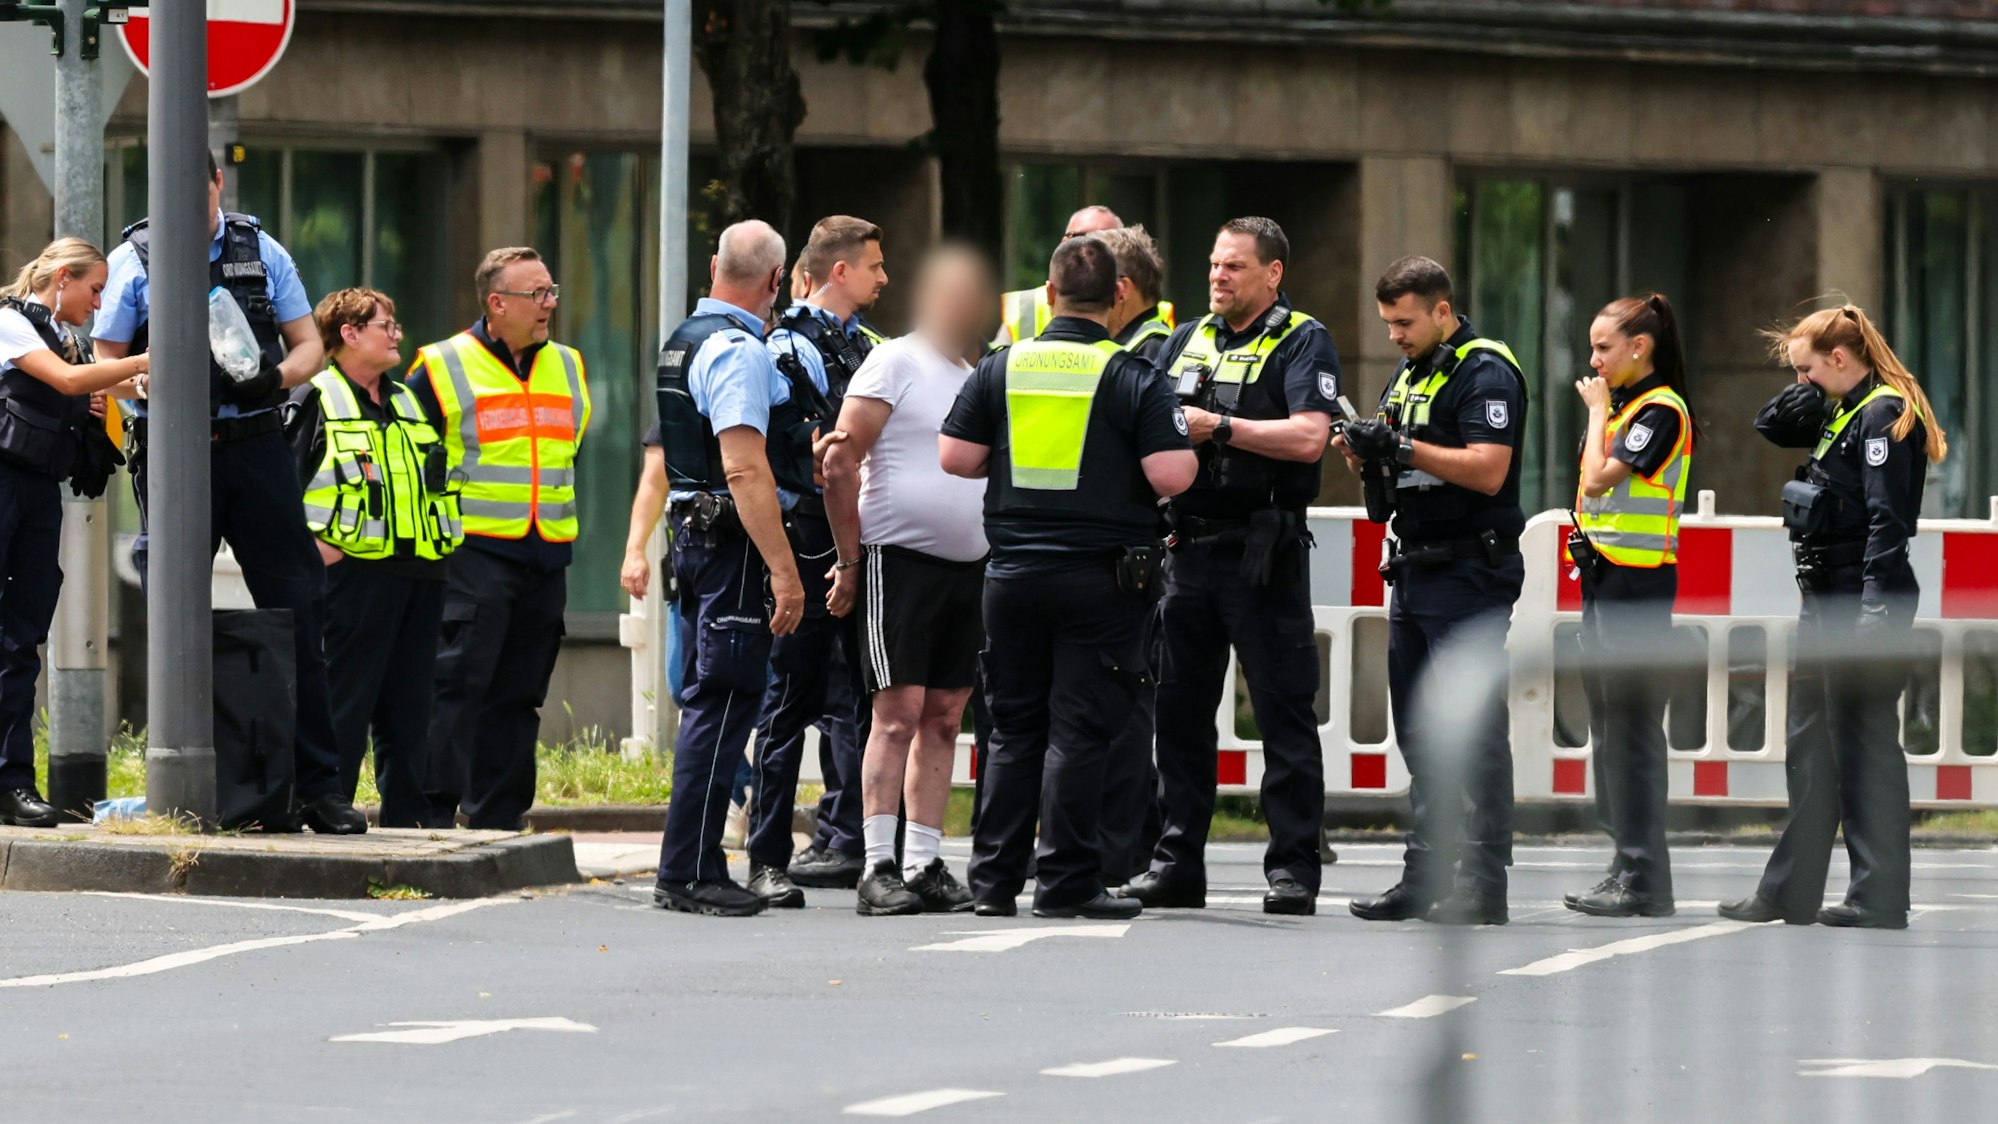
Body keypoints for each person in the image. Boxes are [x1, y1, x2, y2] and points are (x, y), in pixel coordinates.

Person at [95, 150, 366, 835]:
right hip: (173, 450)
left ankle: (319, 790)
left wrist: (273, 380)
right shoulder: (134, 260)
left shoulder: (260, 248)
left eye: (199, 187)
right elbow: (105, 366)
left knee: (300, 606)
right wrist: (152, 381)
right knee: (172, 611)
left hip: (254, 445)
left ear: (217, 182)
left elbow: (309, 345)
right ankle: (186, 780)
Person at [945, 235, 1198, 919]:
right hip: (1100, 581)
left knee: (1014, 730)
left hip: (1013, 575)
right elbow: (1171, 475)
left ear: (1049, 294)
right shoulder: (1133, 375)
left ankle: (993, 884)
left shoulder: (1001, 366)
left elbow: (955, 456)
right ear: (1118, 296)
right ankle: (1065, 882)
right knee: (1079, 733)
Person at [1119, 217, 1339, 917]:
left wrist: (1222, 428)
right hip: (1189, 547)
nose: (1218, 277)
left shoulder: (1302, 338)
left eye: (1234, 267)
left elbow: (1310, 438)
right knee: (1180, 715)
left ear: (1273, 274)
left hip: (1261, 550)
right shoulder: (1187, 339)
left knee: (1282, 711)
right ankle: (1177, 860)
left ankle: (1294, 868)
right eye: (1214, 265)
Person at [1719, 305, 1943, 931]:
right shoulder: (1841, 409)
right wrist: (1801, 389)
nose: (1799, 384)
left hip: (1861, 598)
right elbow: (1768, 424)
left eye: (1805, 369)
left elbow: (1886, 519)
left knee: (1865, 747)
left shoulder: (1880, 414)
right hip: (1825, 598)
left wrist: (1873, 608)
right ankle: (1790, 891)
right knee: (1810, 747)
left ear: (1840, 360)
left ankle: (1878, 896)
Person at [1340, 256, 1527, 926]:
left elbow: (1487, 469)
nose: (1395, 334)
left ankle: (1482, 883)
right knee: (1421, 734)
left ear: (1442, 310)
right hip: (1417, 567)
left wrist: (1402, 447)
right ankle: (1424, 876)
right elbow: (1398, 452)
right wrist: (1367, 451)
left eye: (1405, 322)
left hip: (1469, 571)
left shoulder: (1484, 369)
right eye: (1388, 323)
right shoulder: (1417, 369)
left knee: (1472, 733)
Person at [820, 245, 995, 916]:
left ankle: (924, 862)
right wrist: (848, 558)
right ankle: (877, 865)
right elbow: (840, 462)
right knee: (897, 715)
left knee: (946, 718)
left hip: (967, 567)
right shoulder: (895, 359)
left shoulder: (973, 372)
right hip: (900, 560)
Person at [651, 220, 807, 917]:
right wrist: (784, 569)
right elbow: (745, 466)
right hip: (734, 547)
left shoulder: (683, 340)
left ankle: (702, 860)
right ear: (776, 281)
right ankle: (687, 871)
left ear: (714, 265)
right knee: (724, 706)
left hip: (696, 538)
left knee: (711, 700)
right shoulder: (739, 351)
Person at [407, 248, 590, 831]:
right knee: (455, 686)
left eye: (551, 290)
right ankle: (431, 814)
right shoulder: (439, 365)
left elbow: (569, 450)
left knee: (519, 694)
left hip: (545, 555)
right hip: (472, 552)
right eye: (537, 294)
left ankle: (499, 816)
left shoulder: (569, 364)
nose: (550, 304)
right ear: (497, 302)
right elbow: (410, 458)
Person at [746, 216, 889, 905]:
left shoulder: (871, 345)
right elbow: (785, 438)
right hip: (809, 532)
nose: (884, 279)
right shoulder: (788, 346)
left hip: (867, 533)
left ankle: (862, 842)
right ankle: (767, 854)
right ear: (839, 271)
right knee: (791, 698)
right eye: (873, 266)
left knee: (864, 697)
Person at [288, 289, 464, 828]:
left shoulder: (407, 399)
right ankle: (327, 801)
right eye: (385, 325)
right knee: (344, 698)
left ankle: (409, 814)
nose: (397, 335)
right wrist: (315, 550)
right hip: (354, 574)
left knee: (411, 705)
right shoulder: (315, 397)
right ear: (348, 333)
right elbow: (280, 489)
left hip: (420, 569)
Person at [0, 240, 147, 826]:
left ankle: (12, 784)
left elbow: (94, 386)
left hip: (38, 493)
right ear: (63, 277)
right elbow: (65, 381)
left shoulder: (70, 341)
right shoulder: (11, 323)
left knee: (20, 641)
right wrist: (143, 361)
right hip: (6, 485)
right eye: (95, 288)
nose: (100, 301)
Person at [1562, 294, 1693, 918]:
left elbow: (1597, 480)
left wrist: (1595, 414)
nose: (1593, 360)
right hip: (1607, 582)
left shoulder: (1658, 410)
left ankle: (1644, 878)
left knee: (1633, 734)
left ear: (1639, 347)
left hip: (1638, 588)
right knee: (1611, 733)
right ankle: (1625, 866)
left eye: (1603, 348)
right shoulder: (1631, 407)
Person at [1084, 222, 1172, 884]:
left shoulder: (1149, 355)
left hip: (1132, 550)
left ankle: (1120, 851)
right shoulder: (1129, 350)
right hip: (1113, 550)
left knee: (1126, 706)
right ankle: (1119, 845)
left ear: (1120, 289)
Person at [991, 204, 1123, 347]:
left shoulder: (1139, 308)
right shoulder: (1021, 307)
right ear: (1063, 244)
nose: (1087, 247)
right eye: (1078, 236)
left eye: (1102, 240)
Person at [1096, 224, 1175, 363]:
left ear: (1122, 290)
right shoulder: (1135, 345)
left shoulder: (1155, 353)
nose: (1082, 289)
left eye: (1092, 280)